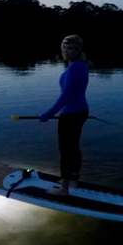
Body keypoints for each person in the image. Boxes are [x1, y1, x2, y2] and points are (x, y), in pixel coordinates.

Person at [40, 35, 89, 196]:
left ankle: (64, 188)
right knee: (74, 148)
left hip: (71, 114)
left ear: (77, 50)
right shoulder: (81, 65)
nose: (66, 51)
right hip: (81, 111)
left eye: (70, 48)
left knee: (66, 151)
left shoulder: (74, 68)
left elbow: (66, 96)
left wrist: (49, 113)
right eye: (64, 48)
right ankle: (73, 180)